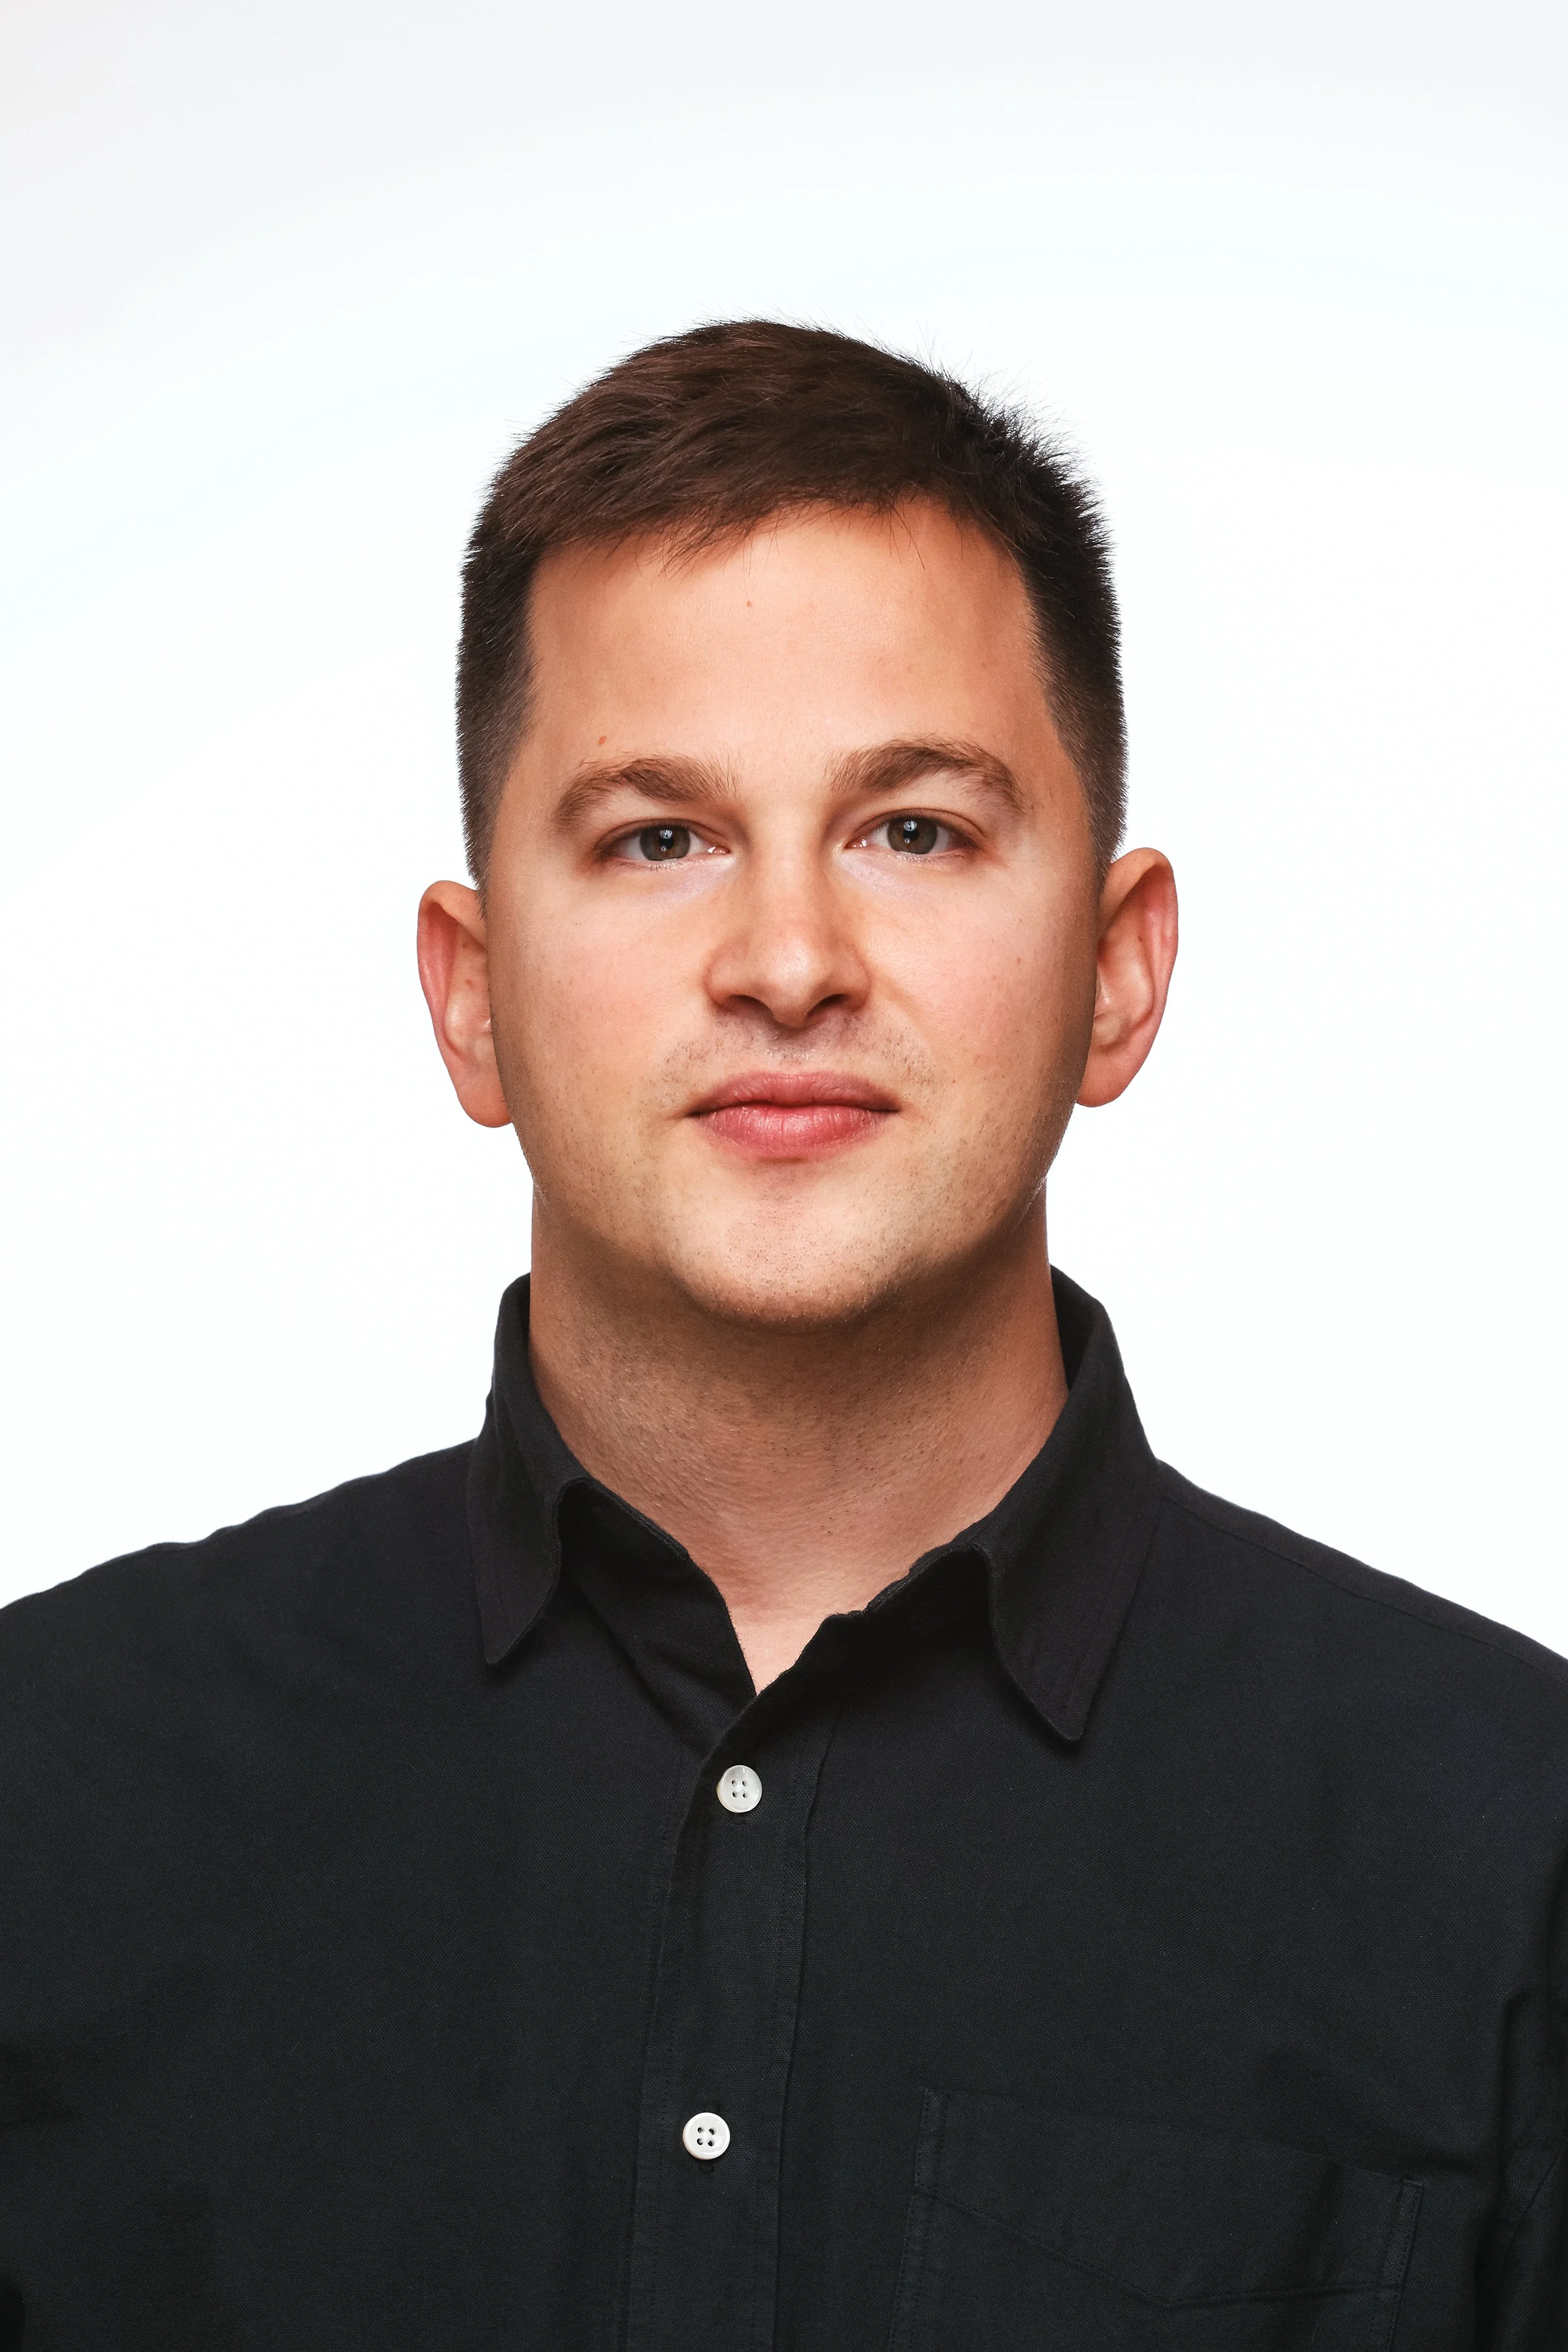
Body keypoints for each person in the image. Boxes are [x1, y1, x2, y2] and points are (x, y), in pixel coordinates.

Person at [1, 321, 1563, 2351]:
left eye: (914, 828)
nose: (791, 963)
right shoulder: (49, 1793)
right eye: (660, 837)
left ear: (1116, 967)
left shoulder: (1510, 1847)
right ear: (471, 995)